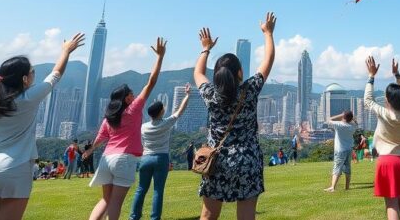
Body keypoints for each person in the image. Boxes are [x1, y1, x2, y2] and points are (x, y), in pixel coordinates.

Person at [0, 32, 85, 220]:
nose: (33, 75)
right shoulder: (27, 98)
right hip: (14, 167)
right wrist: (66, 51)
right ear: (24, 79)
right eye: (32, 72)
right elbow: (55, 76)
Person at [193, 12, 277, 220]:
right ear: (240, 73)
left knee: (208, 215)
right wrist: (268, 33)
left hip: (216, 162)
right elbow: (268, 60)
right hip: (247, 160)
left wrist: (205, 49)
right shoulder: (249, 91)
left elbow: (197, 73)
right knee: (246, 216)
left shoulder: (211, 95)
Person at [82, 38, 166, 220]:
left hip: (106, 159)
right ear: (127, 98)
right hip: (124, 159)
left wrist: (89, 151)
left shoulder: (109, 117)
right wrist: (159, 57)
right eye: (130, 94)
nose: (133, 95)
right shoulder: (133, 109)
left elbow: (99, 138)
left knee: (105, 199)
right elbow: (151, 82)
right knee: (115, 203)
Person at [365, 56, 400, 220]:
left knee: (391, 205)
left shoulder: (384, 114)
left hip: (387, 162)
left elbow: (368, 100)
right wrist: (398, 76)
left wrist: (371, 76)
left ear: (387, 100)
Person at [130, 83, 192, 220]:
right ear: (160, 112)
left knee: (141, 189)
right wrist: (187, 95)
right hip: (161, 158)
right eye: (162, 108)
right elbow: (180, 111)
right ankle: (155, 218)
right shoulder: (166, 123)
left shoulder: (143, 127)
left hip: (145, 159)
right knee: (158, 190)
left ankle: (134, 217)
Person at [323, 111, 356, 192]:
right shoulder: (353, 126)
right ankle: (347, 187)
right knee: (347, 168)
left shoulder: (339, 125)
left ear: (344, 117)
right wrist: (347, 116)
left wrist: (341, 114)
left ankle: (332, 187)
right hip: (349, 149)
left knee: (337, 167)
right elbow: (354, 121)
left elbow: (328, 120)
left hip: (340, 150)